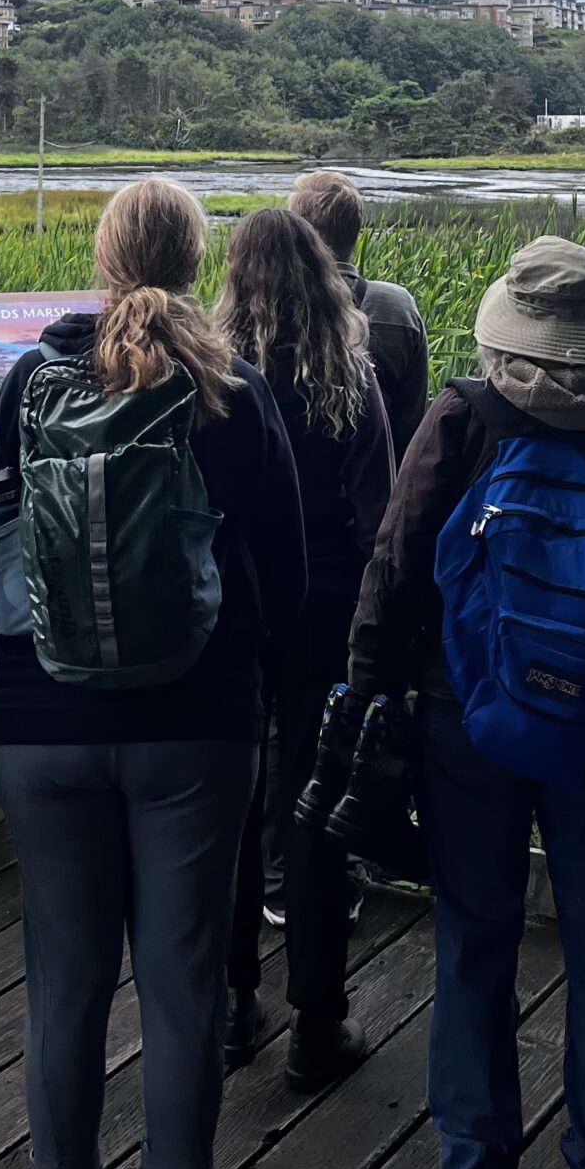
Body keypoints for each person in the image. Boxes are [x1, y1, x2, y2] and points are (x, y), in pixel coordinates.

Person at [347, 237, 585, 1169]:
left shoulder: (461, 416)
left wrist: (370, 700)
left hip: (468, 721)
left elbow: (393, 569)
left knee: (473, 942)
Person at [0, 178, 307, 1169]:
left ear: (105, 257)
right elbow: (290, 576)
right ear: (194, 264)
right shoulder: (235, 390)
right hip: (198, 727)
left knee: (63, 986)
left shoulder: (27, 383)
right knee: (182, 984)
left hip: (42, 722)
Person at [216, 207, 394, 1082]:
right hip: (324, 620)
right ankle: (316, 1026)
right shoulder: (349, 377)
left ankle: (232, 1005)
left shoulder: (213, 377)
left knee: (235, 810)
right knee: (314, 814)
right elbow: (379, 520)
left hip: (234, 619)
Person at [288, 171, 433, 451]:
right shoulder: (398, 307)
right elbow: (413, 418)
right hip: (383, 482)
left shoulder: (267, 310)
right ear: (357, 234)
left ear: (297, 238)